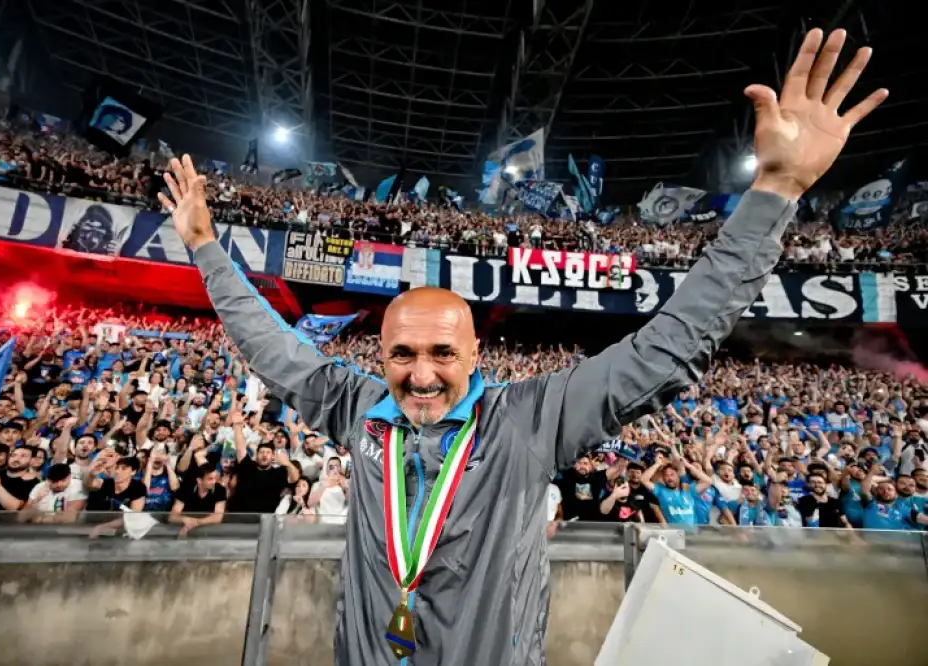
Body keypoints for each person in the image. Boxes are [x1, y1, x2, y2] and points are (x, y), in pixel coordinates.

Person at [159, 28, 886, 666]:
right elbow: (269, 344)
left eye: (442, 353)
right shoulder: (356, 409)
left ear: (476, 356)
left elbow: (669, 346)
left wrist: (775, 190)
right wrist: (205, 248)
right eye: (402, 354)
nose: (420, 375)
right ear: (379, 356)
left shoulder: (531, 419)